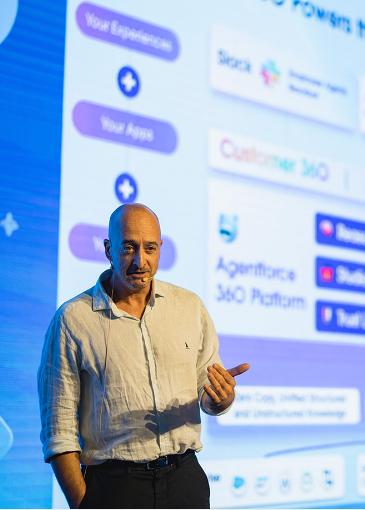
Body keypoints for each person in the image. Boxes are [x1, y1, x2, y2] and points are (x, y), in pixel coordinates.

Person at [38, 204, 248, 509]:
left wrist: (219, 400)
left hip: (185, 480)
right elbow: (58, 429)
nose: (140, 260)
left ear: (160, 248)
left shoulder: (189, 307)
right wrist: (83, 504)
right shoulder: (72, 320)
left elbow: (207, 393)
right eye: (128, 248)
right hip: (115, 488)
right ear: (108, 250)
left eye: (150, 248)